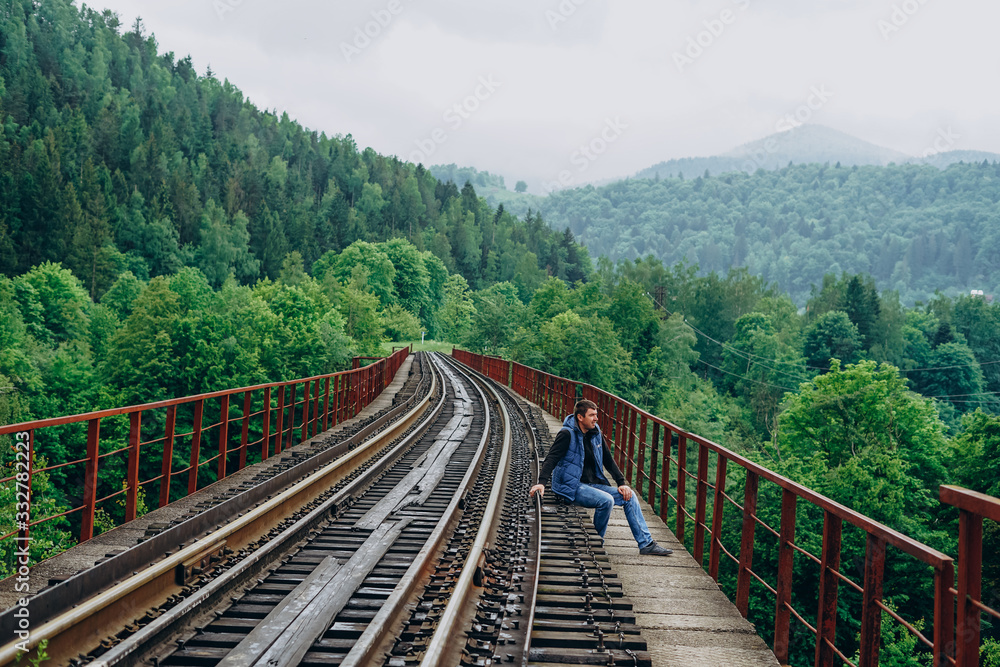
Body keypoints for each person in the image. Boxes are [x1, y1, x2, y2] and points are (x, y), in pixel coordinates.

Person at [528, 399, 672, 556]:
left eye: (596, 415)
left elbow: (608, 460)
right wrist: (541, 483)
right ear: (580, 417)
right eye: (592, 415)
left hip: (591, 484)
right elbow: (552, 458)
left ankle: (646, 544)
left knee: (629, 496)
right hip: (571, 486)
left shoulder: (595, 433)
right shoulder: (566, 434)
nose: (596, 419)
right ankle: (596, 543)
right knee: (606, 500)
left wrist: (621, 483)